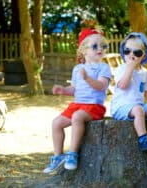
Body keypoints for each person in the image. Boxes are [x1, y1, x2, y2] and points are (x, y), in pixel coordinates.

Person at [43, 27, 112, 173]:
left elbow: (101, 86)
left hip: (94, 106)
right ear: (84, 50)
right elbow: (74, 89)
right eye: (95, 46)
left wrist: (87, 78)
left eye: (102, 46)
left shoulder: (104, 67)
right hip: (77, 104)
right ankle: (58, 156)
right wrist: (63, 90)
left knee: (77, 117)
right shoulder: (77, 68)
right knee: (56, 123)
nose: (100, 48)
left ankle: (72, 153)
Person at [110, 32, 147, 156]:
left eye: (136, 53)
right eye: (127, 51)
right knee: (138, 110)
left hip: (138, 106)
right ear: (123, 52)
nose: (131, 55)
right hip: (121, 107)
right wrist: (130, 69)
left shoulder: (144, 72)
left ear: (143, 55)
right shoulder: (122, 69)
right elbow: (122, 85)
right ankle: (143, 140)